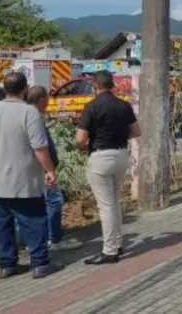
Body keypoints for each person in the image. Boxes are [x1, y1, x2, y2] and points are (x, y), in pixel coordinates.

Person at [0, 72, 63, 279]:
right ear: (25, 89)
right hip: (24, 179)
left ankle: (7, 264)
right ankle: (40, 263)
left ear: (5, 89)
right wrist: (49, 170)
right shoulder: (29, 113)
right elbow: (39, 147)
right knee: (33, 220)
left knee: (2, 224)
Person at [76, 70, 141, 264]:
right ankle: (117, 242)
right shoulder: (123, 105)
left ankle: (110, 250)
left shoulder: (91, 106)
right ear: (112, 85)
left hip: (100, 156)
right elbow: (136, 131)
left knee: (106, 205)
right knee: (113, 201)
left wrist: (81, 146)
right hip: (121, 154)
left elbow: (80, 139)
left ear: (95, 86)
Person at [26, 86, 83, 251]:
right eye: (47, 99)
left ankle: (42, 238)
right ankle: (54, 239)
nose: (48, 103)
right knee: (53, 201)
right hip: (42, 169)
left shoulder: (30, 115)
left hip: (36, 169)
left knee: (42, 203)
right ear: (41, 100)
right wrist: (49, 169)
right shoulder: (33, 116)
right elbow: (40, 147)